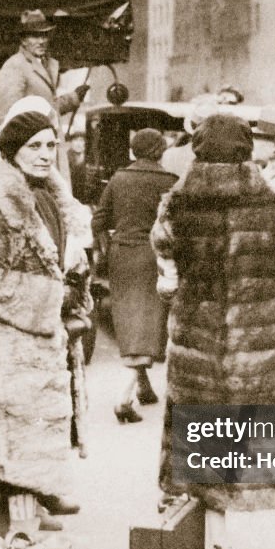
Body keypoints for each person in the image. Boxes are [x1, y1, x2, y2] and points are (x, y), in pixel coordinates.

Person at [150, 113, 275, 549]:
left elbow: (166, 271)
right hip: (262, 354)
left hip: (199, 352)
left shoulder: (177, 204)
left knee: (206, 462)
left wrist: (182, 299)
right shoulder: (271, 204)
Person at [0, 110, 92, 535]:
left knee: (39, 430)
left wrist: (76, 283)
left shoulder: (51, 197)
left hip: (42, 334)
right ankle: (18, 528)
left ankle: (28, 508)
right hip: (9, 340)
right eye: (34, 146)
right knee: (15, 433)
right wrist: (53, 297)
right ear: (11, 152)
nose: (45, 154)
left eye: (51, 145)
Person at [92, 129, 176, 422]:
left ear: (133, 150)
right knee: (148, 324)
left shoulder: (118, 179)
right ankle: (123, 399)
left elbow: (99, 220)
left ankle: (143, 387)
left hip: (121, 256)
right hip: (154, 257)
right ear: (161, 151)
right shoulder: (170, 182)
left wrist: (104, 249)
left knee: (131, 322)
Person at [0, 9, 89, 184]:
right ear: (23, 40)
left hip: (46, 150)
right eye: (35, 36)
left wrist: (74, 98)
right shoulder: (15, 66)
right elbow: (8, 116)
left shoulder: (44, 65)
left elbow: (48, 108)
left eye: (45, 36)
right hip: (31, 156)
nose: (42, 41)